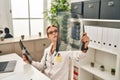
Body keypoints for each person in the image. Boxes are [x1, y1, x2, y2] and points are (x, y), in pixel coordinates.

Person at [22, 25, 89, 80]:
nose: (54, 33)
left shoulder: (66, 48)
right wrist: (29, 61)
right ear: (48, 37)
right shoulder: (47, 50)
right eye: (51, 32)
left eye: (56, 31)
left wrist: (85, 45)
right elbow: (42, 66)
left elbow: (80, 55)